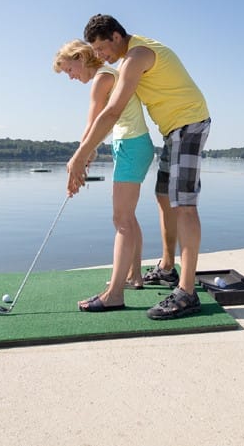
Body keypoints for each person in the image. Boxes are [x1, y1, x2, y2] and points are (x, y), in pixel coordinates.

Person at [66, 14, 210, 320]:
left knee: (184, 205)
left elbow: (112, 111)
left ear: (116, 37)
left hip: (190, 122)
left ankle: (186, 292)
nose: (100, 56)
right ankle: (168, 267)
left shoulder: (136, 56)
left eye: (102, 49)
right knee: (163, 196)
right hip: (173, 129)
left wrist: (81, 155)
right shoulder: (127, 59)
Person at [53, 40, 154, 312]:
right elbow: (101, 127)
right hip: (130, 145)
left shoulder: (102, 78)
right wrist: (87, 156)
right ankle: (133, 275)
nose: (72, 77)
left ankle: (115, 293)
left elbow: (93, 124)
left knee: (121, 219)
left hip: (132, 146)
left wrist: (78, 160)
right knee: (127, 216)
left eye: (69, 70)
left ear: (80, 58)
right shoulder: (107, 75)